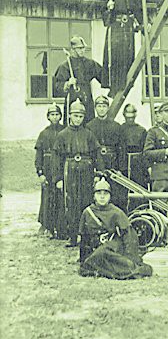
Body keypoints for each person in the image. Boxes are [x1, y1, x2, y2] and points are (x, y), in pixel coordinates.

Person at [52, 99, 103, 247]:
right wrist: (58, 179)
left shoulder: (89, 134)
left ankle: (86, 237)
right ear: (69, 116)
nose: (78, 119)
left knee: (86, 201)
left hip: (86, 171)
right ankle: (73, 236)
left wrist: (99, 174)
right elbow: (56, 159)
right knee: (71, 203)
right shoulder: (62, 135)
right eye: (75, 116)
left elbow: (97, 155)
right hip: (70, 171)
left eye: (80, 116)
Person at [79, 178, 152, 279]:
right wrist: (83, 258)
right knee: (89, 263)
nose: (102, 197)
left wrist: (131, 257)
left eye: (105, 194)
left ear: (110, 196)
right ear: (94, 196)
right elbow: (84, 238)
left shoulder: (116, 212)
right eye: (99, 193)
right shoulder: (87, 212)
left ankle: (131, 268)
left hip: (113, 247)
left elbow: (129, 235)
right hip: (96, 248)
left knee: (106, 255)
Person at [101, 0, 144, 98]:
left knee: (126, 55)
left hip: (127, 29)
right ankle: (114, 87)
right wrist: (109, 9)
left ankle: (125, 84)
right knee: (114, 56)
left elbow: (140, 12)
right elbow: (105, 20)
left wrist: (144, 24)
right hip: (115, 29)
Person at [87, 95, 128, 212]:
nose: (101, 109)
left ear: (108, 108)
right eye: (99, 106)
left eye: (104, 106)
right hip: (96, 162)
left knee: (115, 194)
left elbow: (121, 149)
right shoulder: (89, 126)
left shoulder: (116, 126)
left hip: (112, 163)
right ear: (95, 108)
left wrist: (120, 169)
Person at [54, 35, 102, 125]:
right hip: (72, 98)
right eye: (79, 48)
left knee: (88, 126)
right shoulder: (65, 66)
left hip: (86, 99)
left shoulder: (90, 64)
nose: (83, 50)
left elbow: (103, 76)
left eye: (83, 48)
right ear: (72, 49)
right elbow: (57, 86)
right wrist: (67, 83)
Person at [34, 103, 64, 237]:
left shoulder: (64, 132)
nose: (55, 117)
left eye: (57, 114)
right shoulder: (44, 133)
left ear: (61, 116)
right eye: (52, 114)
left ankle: (61, 226)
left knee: (60, 198)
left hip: (61, 168)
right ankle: (47, 225)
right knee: (47, 197)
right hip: (47, 168)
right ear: (48, 117)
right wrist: (40, 173)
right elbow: (38, 156)